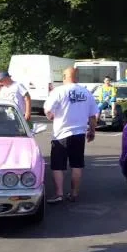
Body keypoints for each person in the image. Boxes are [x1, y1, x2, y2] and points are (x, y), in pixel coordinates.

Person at [43, 66, 97, 204]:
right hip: (79, 134)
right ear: (76, 77)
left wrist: (51, 116)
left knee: (57, 166)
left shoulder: (58, 91)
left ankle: (59, 194)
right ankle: (74, 194)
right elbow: (93, 115)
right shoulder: (86, 92)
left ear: (64, 77)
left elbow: (48, 111)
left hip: (61, 134)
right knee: (77, 165)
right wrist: (91, 131)